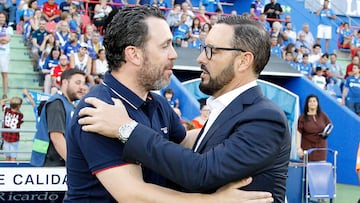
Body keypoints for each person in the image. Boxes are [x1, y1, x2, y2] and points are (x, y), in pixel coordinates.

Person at [65, 6, 274, 203]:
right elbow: (133, 195)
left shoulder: (156, 103)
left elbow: (186, 142)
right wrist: (213, 201)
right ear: (134, 54)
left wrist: (247, 124)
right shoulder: (99, 109)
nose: (174, 54)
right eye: (165, 46)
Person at [30, 69, 86, 167]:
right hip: (51, 165)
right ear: (64, 82)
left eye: (83, 83)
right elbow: (57, 137)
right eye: (77, 83)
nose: (82, 87)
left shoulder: (68, 105)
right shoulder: (57, 104)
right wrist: (75, 166)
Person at [296, 94, 332, 161]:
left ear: (317, 103)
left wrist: (326, 134)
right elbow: (298, 133)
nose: (312, 103)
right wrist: (298, 148)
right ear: (307, 104)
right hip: (308, 149)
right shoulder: (302, 117)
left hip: (321, 148)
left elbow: (329, 126)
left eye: (314, 101)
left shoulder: (323, 115)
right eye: (310, 101)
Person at [0, 96, 24, 161]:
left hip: (6, 137)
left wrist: (9, 99)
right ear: (18, 106)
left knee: (7, 157)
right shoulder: (20, 115)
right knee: (13, 157)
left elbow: (1, 101)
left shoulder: (6, 110)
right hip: (14, 138)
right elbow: (20, 122)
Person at [0, 11, 13, 99]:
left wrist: (3, 39)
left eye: (3, 17)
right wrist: (2, 39)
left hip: (4, 53)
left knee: (4, 73)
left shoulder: (9, 28)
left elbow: (7, 40)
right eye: (0, 17)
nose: (1, 19)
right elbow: (3, 39)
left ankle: (5, 93)